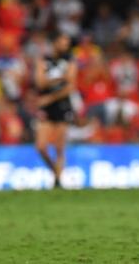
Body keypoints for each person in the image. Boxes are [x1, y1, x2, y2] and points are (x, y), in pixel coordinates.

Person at [34, 31, 77, 188]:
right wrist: (60, 78)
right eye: (63, 42)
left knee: (59, 147)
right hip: (46, 109)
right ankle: (55, 172)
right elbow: (39, 82)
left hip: (62, 106)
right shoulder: (44, 60)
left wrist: (50, 96)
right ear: (55, 42)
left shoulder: (70, 60)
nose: (66, 45)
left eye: (67, 43)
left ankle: (57, 181)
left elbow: (71, 85)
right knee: (41, 146)